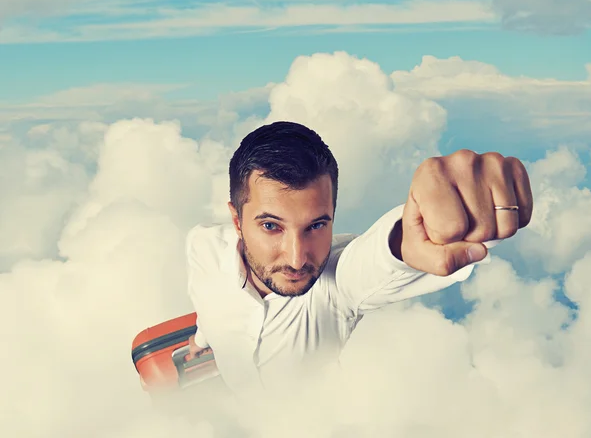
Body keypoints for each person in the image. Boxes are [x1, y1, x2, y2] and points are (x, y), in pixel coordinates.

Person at [185, 121, 533, 396]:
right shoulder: (202, 247)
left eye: (317, 225)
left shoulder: (338, 284)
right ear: (236, 221)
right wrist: (202, 340)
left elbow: (380, 257)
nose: (296, 257)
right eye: (271, 226)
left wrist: (445, 221)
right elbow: (208, 301)